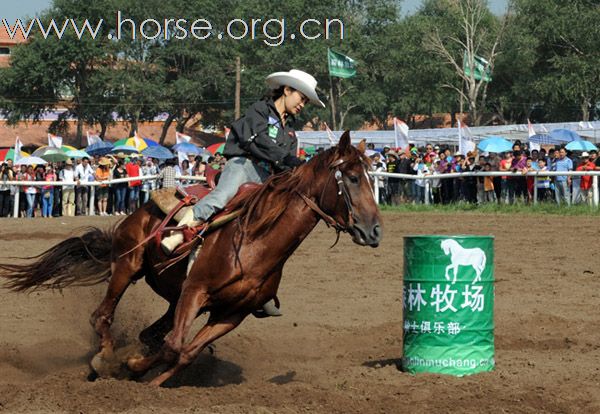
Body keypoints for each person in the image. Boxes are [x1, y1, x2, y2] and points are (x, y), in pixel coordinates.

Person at [161, 69, 325, 316]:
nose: (303, 105)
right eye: (302, 98)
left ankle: (262, 287)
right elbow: (257, 141)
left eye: (305, 101)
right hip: (243, 165)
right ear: (287, 90)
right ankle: (178, 235)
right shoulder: (259, 111)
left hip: (267, 178)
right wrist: (289, 160)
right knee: (222, 197)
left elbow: (285, 163)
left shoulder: (291, 132)